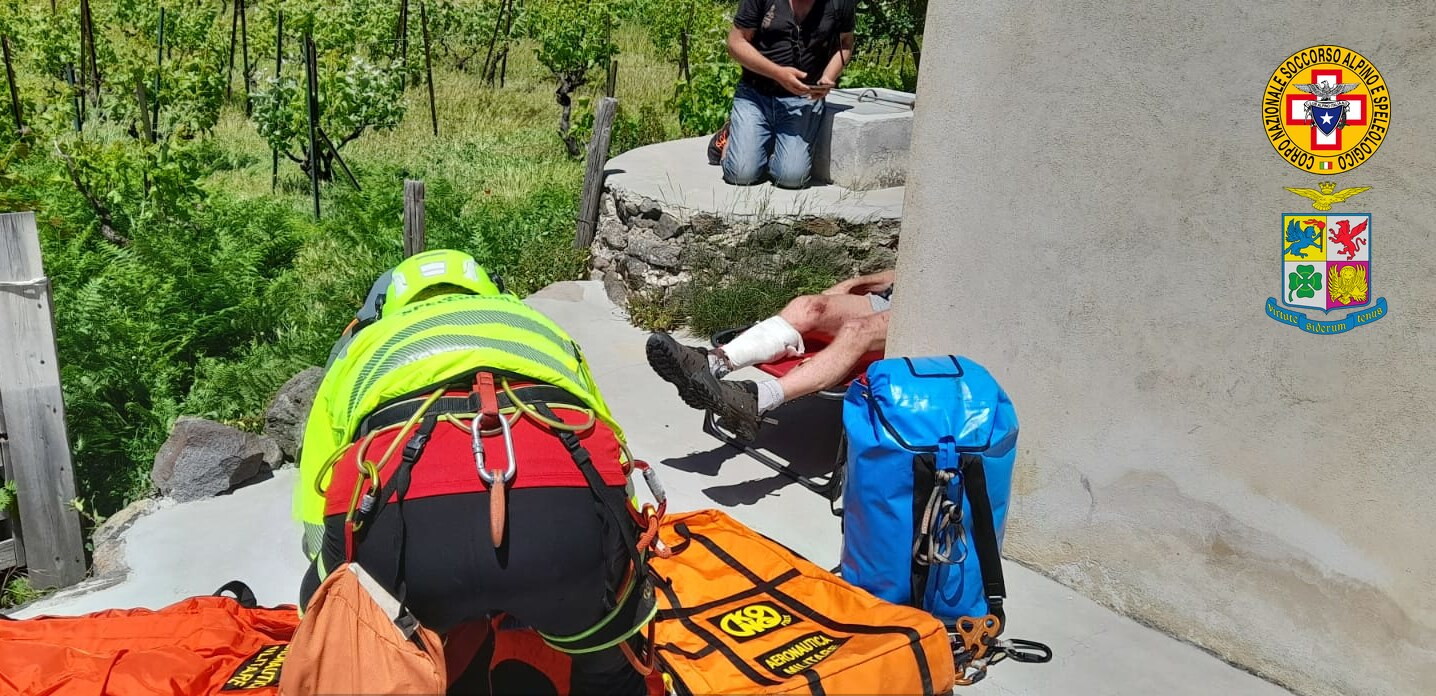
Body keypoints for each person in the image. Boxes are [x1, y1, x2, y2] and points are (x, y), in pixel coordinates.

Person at [295, 250, 653, 694]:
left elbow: (317, 511)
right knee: (609, 662)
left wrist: (341, 591)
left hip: (402, 533)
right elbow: (610, 451)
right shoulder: (538, 326)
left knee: (332, 613)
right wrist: (621, 562)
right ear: (489, 290)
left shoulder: (362, 347)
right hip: (567, 525)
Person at [647, 268, 893, 440]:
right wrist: (857, 283)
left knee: (857, 331)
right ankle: (710, 363)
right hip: (891, 298)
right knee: (808, 306)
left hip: (912, 321)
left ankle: (756, 402)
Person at [722, 0, 856, 189]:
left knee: (791, 178)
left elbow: (845, 43)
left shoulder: (840, 3)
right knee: (741, 174)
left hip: (803, 99)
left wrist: (828, 76)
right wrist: (778, 74)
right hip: (755, 95)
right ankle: (729, 139)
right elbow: (735, 42)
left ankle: (761, 144)